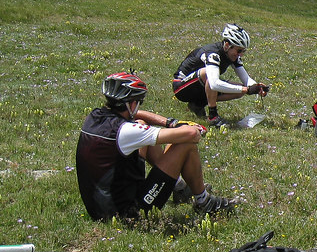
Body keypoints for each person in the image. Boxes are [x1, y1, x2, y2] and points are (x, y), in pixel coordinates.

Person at [77, 72, 236, 220]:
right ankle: (204, 202)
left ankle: (179, 188)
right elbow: (191, 134)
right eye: (138, 102)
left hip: (100, 206)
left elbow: (138, 116)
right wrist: (192, 128)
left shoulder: (95, 116)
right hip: (126, 213)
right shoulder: (126, 131)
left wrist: (170, 123)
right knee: (185, 144)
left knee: (142, 123)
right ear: (131, 105)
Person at [172, 23, 269, 127]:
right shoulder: (212, 54)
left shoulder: (232, 55)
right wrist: (246, 90)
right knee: (208, 74)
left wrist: (256, 87)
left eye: (243, 51)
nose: (240, 54)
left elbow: (246, 79)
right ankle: (213, 117)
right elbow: (214, 84)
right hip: (181, 88)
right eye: (239, 50)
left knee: (240, 89)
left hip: (199, 87)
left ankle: (197, 104)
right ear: (227, 45)